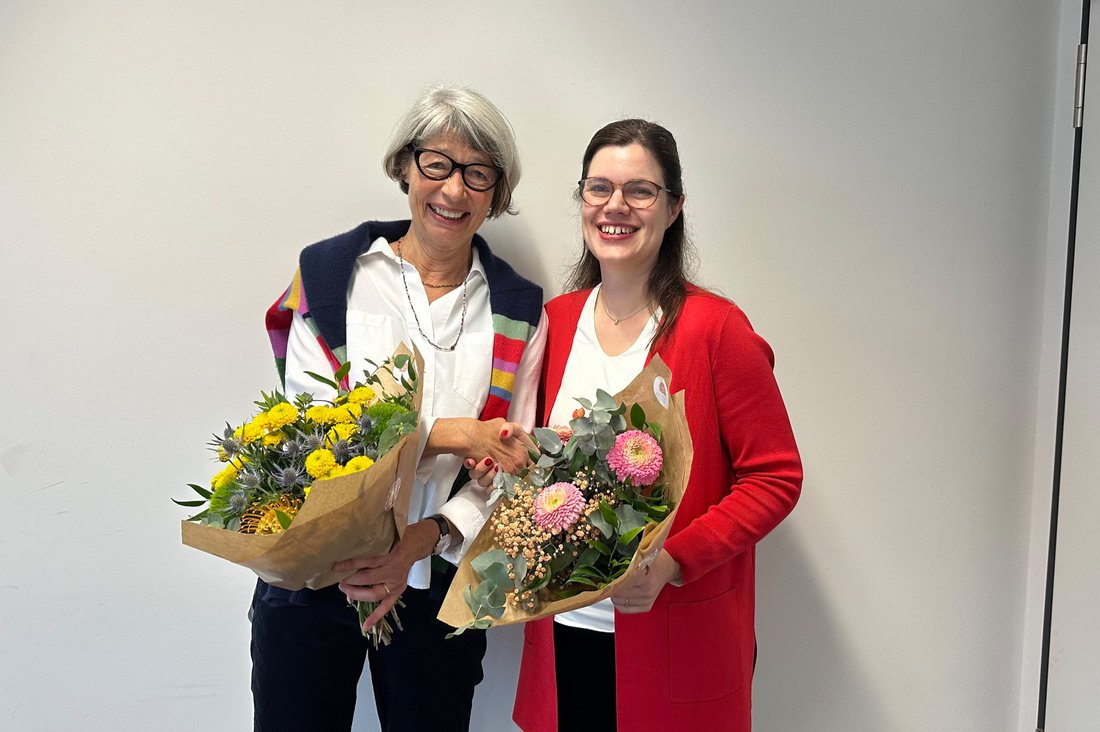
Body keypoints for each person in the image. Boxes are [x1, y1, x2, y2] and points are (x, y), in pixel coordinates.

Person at [474, 119, 802, 731]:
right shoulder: (557, 321)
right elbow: (534, 457)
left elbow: (775, 478)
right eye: (598, 188)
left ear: (674, 207)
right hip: (563, 631)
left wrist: (673, 561)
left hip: (674, 636)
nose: (615, 206)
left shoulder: (716, 331)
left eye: (640, 190)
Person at [254, 86, 547, 732]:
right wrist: (451, 433)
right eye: (437, 163)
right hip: (312, 572)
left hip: (437, 584)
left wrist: (418, 541)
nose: (453, 190)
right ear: (405, 167)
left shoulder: (521, 310)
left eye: (478, 174)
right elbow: (314, 433)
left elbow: (504, 469)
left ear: (496, 194)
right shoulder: (333, 277)